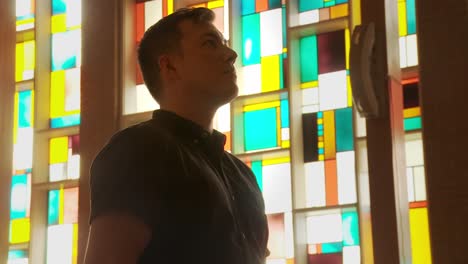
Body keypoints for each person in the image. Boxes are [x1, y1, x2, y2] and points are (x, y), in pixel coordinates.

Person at [83, 7, 269, 264]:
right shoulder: (139, 149)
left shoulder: (242, 174)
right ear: (169, 65)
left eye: (224, 44)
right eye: (210, 43)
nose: (231, 54)